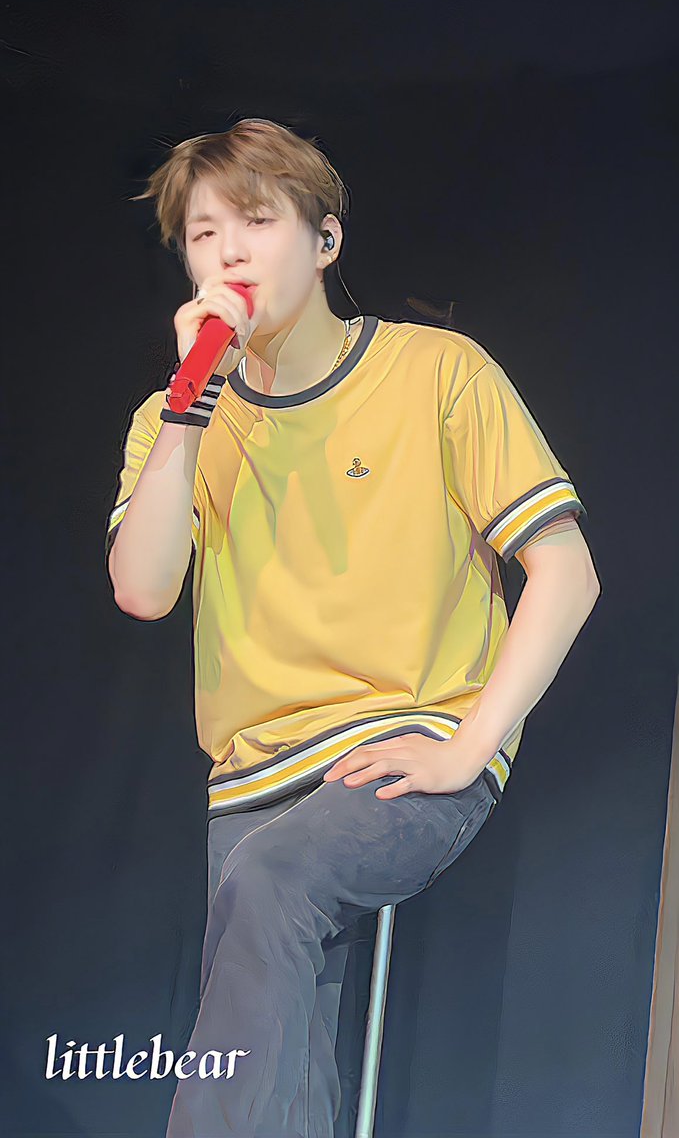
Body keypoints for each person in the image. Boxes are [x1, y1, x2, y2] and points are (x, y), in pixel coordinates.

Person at [105, 118, 600, 1137]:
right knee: (282, 1046)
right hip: (253, 779)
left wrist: (469, 745)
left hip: (408, 745)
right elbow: (144, 590)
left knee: (273, 882)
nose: (229, 253)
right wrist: (191, 410)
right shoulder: (172, 419)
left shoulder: (436, 371)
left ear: (324, 240)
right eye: (203, 234)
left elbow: (566, 572)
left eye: (255, 222)